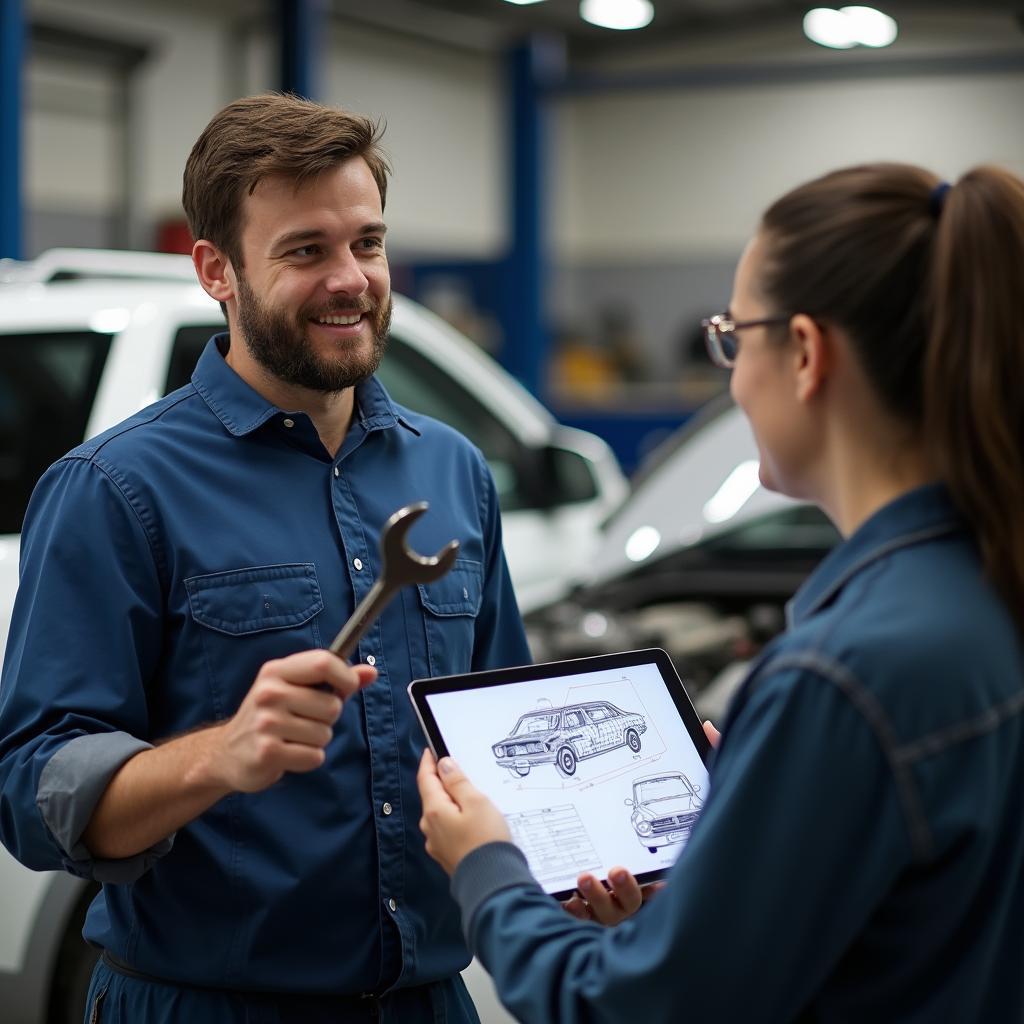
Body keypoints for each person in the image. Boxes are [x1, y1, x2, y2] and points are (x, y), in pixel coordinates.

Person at [417, 162, 1024, 1022]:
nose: (731, 377)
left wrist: (486, 867)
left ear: (807, 354)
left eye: (733, 339)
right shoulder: (979, 590)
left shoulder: (842, 677)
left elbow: (633, 1007)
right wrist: (729, 882)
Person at [0, 92, 530, 1023]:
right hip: (207, 1004)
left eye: (367, 243)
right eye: (305, 250)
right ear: (217, 270)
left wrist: (593, 863)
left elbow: (504, 731)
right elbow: (31, 792)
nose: (351, 279)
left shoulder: (452, 469)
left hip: (429, 1001)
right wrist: (221, 757)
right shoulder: (116, 489)